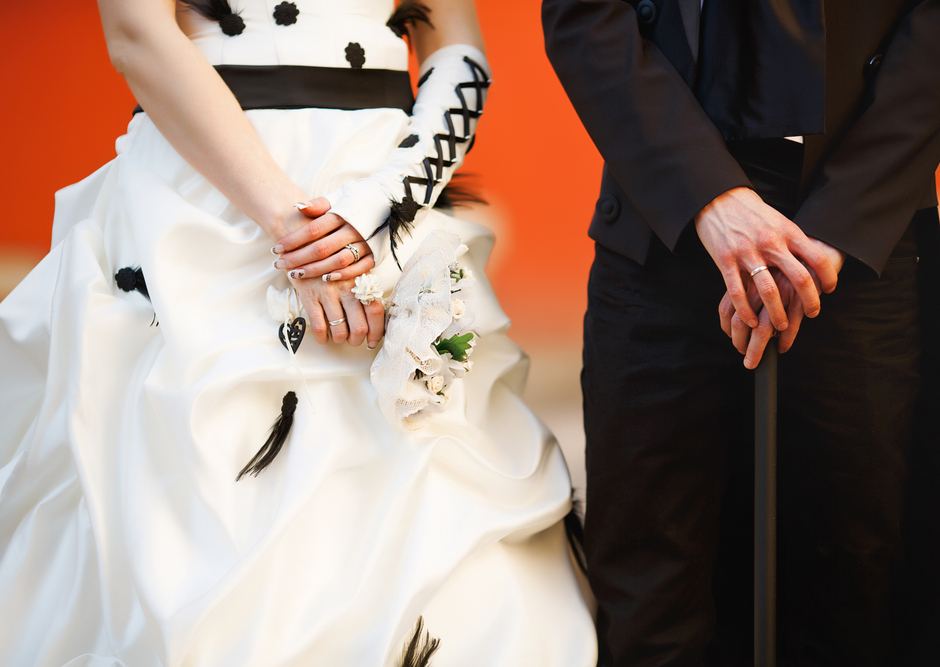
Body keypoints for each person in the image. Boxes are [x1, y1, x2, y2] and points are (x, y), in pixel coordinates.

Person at [0, 1, 597, 665]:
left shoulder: (382, 205)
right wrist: (297, 231)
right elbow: (136, 32)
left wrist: (381, 209)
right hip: (199, 203)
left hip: (384, 187)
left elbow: (457, 51)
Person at [542, 0, 940, 665]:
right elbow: (585, 17)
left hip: (856, 234)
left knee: (851, 587)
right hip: (661, 224)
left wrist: (840, 224)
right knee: (650, 594)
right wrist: (708, 195)